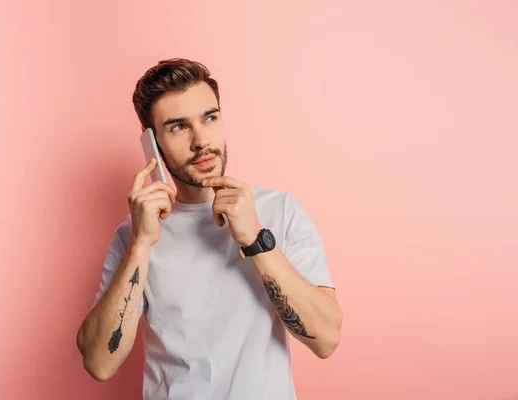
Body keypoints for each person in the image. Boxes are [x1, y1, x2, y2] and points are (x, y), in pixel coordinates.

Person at [76, 58, 343, 399]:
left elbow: (326, 339)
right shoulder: (134, 234)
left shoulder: (279, 210)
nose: (201, 140)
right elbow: (99, 363)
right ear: (152, 144)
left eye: (209, 118)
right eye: (178, 127)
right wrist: (142, 244)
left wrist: (256, 240)